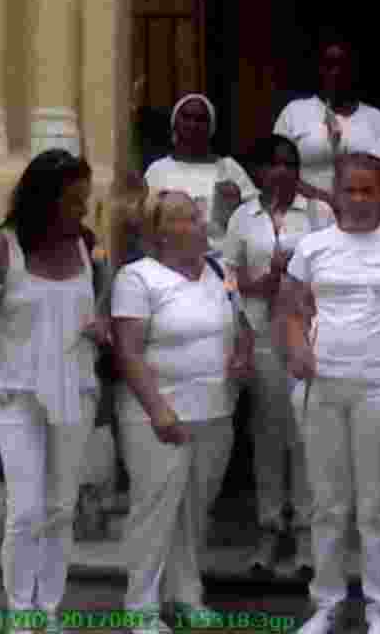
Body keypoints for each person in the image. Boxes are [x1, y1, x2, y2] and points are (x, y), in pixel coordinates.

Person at [0, 149, 107, 634]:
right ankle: (21, 616)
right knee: (27, 510)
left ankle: (49, 610)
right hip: (18, 394)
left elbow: (97, 305)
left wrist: (100, 327)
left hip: (75, 391)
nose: (83, 211)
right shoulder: (2, 247)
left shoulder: (87, 244)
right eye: (73, 201)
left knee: (61, 508)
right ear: (43, 200)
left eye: (85, 200)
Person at [285, 152, 380, 634]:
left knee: (376, 506)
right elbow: (290, 311)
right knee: (327, 504)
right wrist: (295, 349)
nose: (360, 199)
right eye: (351, 189)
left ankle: (379, 607)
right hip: (323, 385)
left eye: (370, 189)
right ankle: (326, 604)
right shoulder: (313, 247)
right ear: (337, 191)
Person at [112, 190, 254, 633]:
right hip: (158, 416)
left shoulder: (220, 271)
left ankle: (186, 595)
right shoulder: (136, 279)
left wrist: (243, 355)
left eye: (197, 215)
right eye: (186, 218)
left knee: (195, 511)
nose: (198, 222)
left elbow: (241, 320)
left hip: (214, 409)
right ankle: (142, 609)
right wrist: (157, 410)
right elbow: (128, 353)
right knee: (155, 510)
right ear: (159, 232)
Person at [223, 134, 334, 579]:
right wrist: (257, 284)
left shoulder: (320, 214)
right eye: (274, 163)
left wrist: (297, 281)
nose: (283, 171)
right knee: (267, 437)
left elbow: (336, 268)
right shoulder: (242, 218)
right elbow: (226, 279)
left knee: (307, 436)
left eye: (290, 163)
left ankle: (308, 536)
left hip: (307, 335)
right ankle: (269, 531)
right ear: (260, 171)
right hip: (261, 336)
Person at [272, 39, 380, 200]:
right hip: (305, 216)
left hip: (362, 216)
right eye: (330, 65)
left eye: (343, 66)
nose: (336, 72)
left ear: (354, 71)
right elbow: (278, 169)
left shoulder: (376, 120)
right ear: (320, 70)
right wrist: (325, 199)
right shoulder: (294, 112)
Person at [143, 93, 257, 255]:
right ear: (175, 123)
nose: (193, 124)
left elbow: (256, 216)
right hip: (170, 261)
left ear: (211, 126)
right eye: (186, 117)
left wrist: (238, 206)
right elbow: (147, 222)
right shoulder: (157, 170)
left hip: (220, 260)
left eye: (201, 119)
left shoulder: (229, 169)